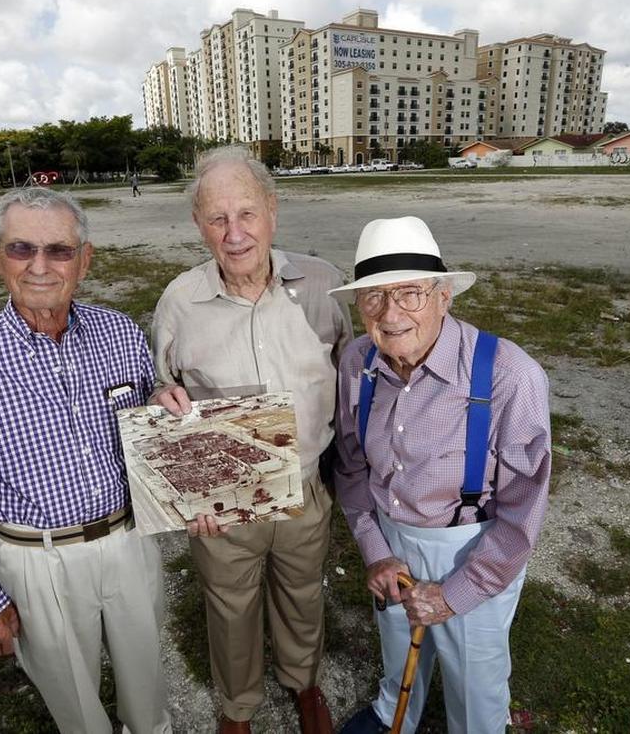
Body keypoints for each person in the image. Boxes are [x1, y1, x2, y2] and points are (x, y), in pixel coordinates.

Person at [0, 187, 172, 734]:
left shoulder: (122, 335)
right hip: (38, 563)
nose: (41, 267)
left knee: (147, 683)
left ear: (85, 259)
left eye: (59, 250)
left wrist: (168, 420)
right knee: (75, 703)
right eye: (21, 249)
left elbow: (151, 437)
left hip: (129, 543)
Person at [149, 146, 352, 734]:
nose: (234, 234)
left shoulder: (322, 285)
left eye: (247, 214)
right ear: (199, 225)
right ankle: (237, 708)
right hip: (225, 501)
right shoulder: (180, 302)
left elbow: (345, 373)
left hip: (306, 487)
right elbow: (163, 389)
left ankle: (304, 682)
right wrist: (166, 406)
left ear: (272, 210)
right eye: (217, 219)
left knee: (302, 593)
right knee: (230, 607)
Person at [332, 216, 551, 734]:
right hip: (392, 537)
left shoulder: (509, 375)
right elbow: (352, 466)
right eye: (373, 297)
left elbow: (522, 514)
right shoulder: (356, 362)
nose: (390, 314)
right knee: (397, 649)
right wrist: (376, 551)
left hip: (474, 546)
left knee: (476, 681)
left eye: (409, 294)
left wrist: (456, 593)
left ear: (444, 296)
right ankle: (395, 715)